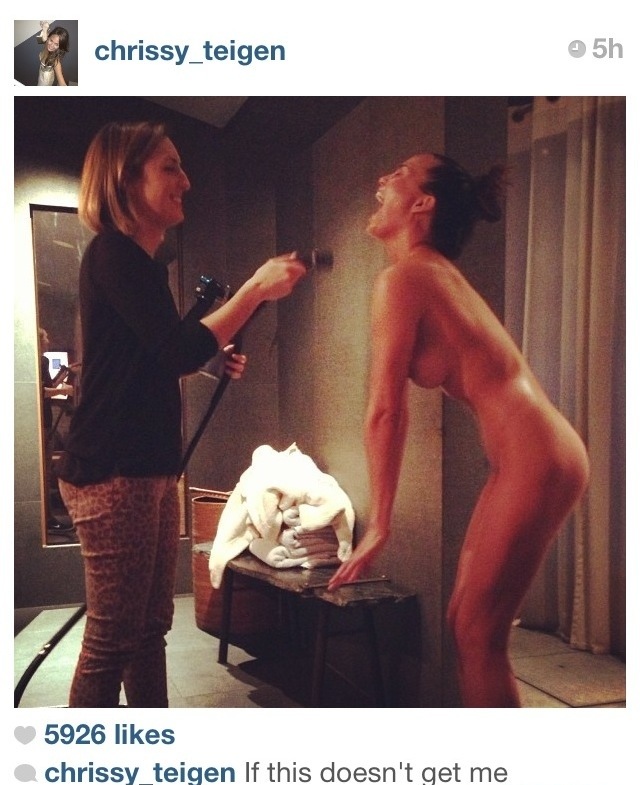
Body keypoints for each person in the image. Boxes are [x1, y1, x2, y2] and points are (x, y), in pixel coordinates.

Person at [57, 120, 306, 707]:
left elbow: (152, 356)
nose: (186, 181)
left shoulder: (138, 264)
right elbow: (175, 349)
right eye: (169, 167)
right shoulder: (114, 254)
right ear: (126, 180)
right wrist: (254, 289)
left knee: (148, 630)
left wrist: (208, 362)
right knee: (113, 638)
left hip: (145, 470)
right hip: (113, 472)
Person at [328, 153, 589, 708]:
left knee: (477, 635)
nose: (382, 178)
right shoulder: (429, 273)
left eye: (399, 174)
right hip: (531, 457)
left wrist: (380, 523)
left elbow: (386, 410)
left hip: (537, 457)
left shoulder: (405, 278)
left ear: (423, 204)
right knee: (464, 625)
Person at [38, 327, 74, 530]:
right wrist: (65, 390)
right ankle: (48, 518)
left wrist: (66, 374)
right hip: (43, 423)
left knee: (45, 469)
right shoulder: (40, 361)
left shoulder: (42, 362)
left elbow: (49, 385)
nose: (48, 341)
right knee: (44, 470)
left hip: (45, 422)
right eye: (45, 337)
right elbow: (41, 391)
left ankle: (48, 517)